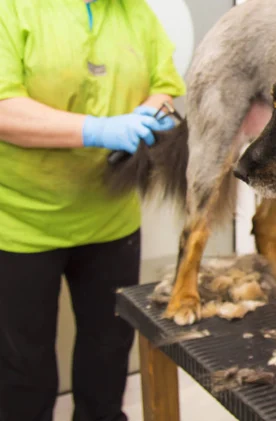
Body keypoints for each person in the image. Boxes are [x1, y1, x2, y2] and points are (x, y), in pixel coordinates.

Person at [0, 0, 187, 420]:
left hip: (112, 222)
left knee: (107, 354)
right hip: (20, 224)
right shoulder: (12, 10)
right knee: (23, 368)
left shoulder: (136, 13)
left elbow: (165, 84)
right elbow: (3, 108)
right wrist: (95, 129)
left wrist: (151, 111)